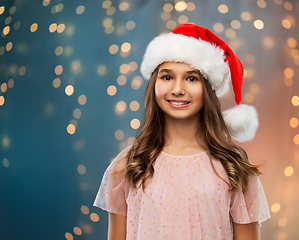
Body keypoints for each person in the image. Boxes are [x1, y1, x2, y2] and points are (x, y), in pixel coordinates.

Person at [94, 23, 270, 240]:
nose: (178, 90)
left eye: (192, 78)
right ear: (154, 84)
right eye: (167, 77)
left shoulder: (231, 167)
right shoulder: (128, 165)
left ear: (208, 88)